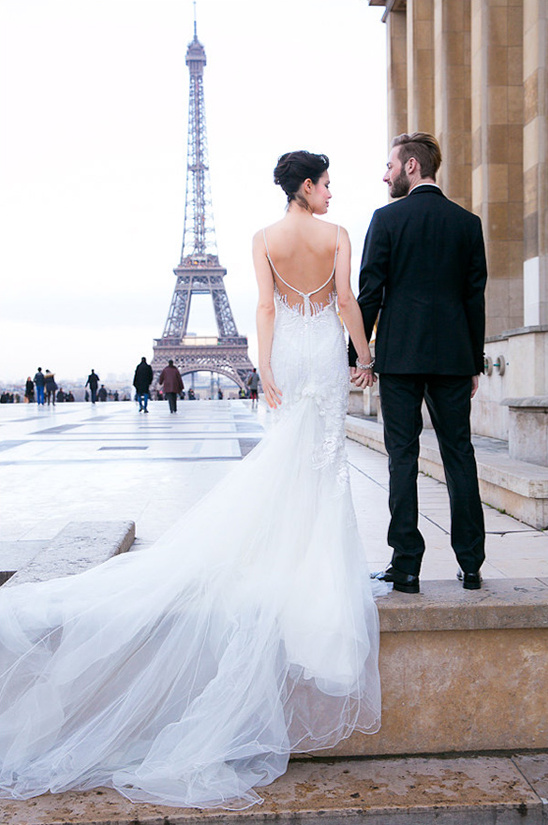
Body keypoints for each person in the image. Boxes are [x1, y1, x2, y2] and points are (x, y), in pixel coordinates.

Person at [0, 151, 383, 810]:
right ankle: (314, 558)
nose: (331, 191)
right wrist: (365, 354)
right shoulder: (339, 235)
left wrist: (263, 370)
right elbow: (346, 299)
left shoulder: (265, 239)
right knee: (326, 461)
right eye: (325, 182)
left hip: (288, 350)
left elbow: (263, 310)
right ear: (307, 186)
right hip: (321, 350)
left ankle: (282, 549)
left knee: (289, 457)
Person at [351, 132, 487, 595]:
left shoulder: (386, 220)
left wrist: (359, 357)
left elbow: (369, 293)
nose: (385, 173)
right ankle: (471, 564)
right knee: (459, 455)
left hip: (402, 356)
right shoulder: (467, 223)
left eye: (390, 164)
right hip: (452, 356)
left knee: (402, 458)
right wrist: (474, 361)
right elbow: (474, 298)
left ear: (411, 167)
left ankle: (406, 564)